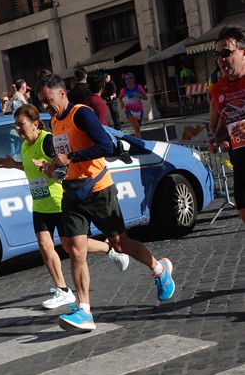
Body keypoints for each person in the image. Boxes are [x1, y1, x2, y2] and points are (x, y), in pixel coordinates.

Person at [35, 74, 175, 332]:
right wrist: (53, 166)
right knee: (75, 250)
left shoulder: (82, 114)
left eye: (47, 100)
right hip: (72, 193)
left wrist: (71, 157)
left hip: (99, 190)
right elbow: (66, 159)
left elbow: (106, 147)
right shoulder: (54, 122)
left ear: (62, 93)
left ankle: (159, 268)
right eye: (42, 102)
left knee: (121, 244)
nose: (45, 106)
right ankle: (85, 311)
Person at [0, 104, 128, 309]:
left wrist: (50, 169)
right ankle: (63, 291)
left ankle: (109, 248)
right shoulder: (24, 146)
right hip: (40, 203)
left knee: (70, 247)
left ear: (35, 123)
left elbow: (65, 169)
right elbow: (31, 167)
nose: (18, 129)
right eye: (16, 125)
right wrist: (15, 165)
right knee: (44, 245)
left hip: (58, 201)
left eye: (21, 124)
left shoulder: (48, 141)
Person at [209, 25, 245, 224]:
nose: (221, 59)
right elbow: (226, 118)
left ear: (243, 52)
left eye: (226, 53)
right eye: (217, 55)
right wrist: (216, 139)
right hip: (240, 162)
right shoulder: (218, 89)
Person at [118, 73, 148, 138]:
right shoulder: (124, 90)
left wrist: (139, 96)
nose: (127, 80)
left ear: (133, 79)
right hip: (129, 110)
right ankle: (139, 142)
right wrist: (122, 104)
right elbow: (119, 97)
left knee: (137, 129)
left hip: (139, 110)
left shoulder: (138, 87)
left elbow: (146, 98)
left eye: (129, 78)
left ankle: (137, 141)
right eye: (126, 79)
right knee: (137, 127)